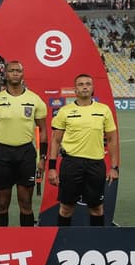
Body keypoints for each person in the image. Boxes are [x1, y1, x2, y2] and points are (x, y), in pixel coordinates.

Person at [47, 74, 119, 226]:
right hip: (71, 164)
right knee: (66, 207)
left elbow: (112, 139)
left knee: (97, 208)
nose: (84, 86)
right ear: (75, 89)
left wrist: (114, 167)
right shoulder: (65, 111)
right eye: (80, 84)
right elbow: (55, 141)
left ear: (93, 88)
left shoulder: (104, 110)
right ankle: (63, 240)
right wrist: (52, 168)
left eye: (88, 84)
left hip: (96, 164)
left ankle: (96, 241)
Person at [0, 61, 48, 227]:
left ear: (22, 74)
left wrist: (43, 157)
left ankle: (28, 242)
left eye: (18, 70)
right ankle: (1, 244)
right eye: (11, 71)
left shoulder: (34, 99)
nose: (15, 73)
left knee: (26, 204)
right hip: (3, 154)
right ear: (6, 74)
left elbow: (44, 131)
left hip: (26, 154)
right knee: (2, 204)